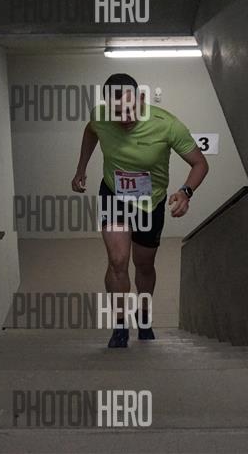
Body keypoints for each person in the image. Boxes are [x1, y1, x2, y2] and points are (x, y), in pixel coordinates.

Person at [71, 73, 209, 348]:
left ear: (141, 99)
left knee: (144, 265)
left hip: (150, 203)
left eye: (129, 110)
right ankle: (120, 323)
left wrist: (186, 192)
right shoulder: (100, 116)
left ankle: (143, 315)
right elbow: (90, 132)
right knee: (117, 261)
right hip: (114, 195)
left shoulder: (167, 125)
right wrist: (81, 168)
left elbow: (200, 164)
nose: (124, 118)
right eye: (117, 112)